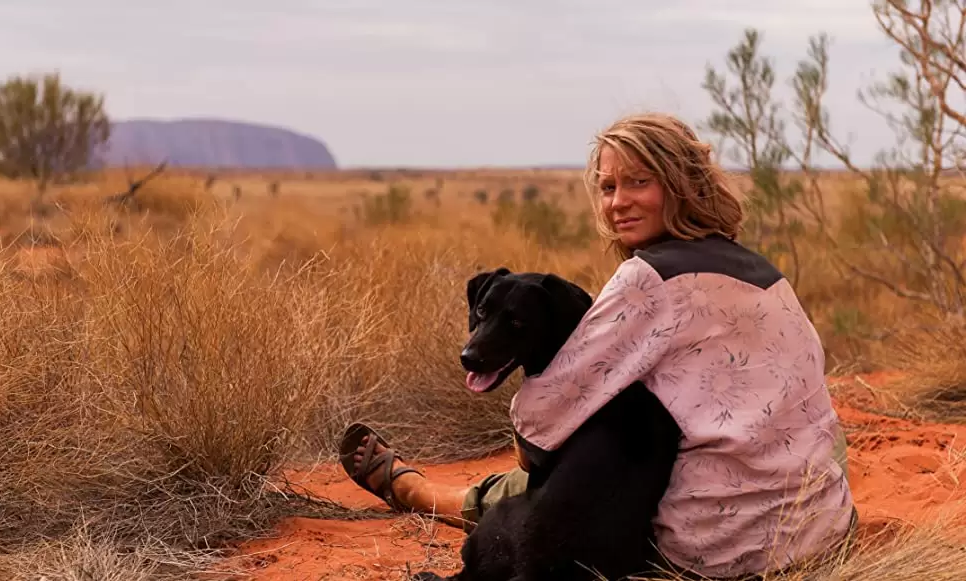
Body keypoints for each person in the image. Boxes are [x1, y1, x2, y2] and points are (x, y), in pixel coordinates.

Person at [337, 112, 857, 580]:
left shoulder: (648, 278)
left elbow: (539, 431)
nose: (617, 202)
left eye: (638, 181)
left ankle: (421, 494)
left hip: (715, 547)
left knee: (590, 457)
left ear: (680, 184)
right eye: (607, 187)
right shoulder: (765, 272)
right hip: (818, 527)